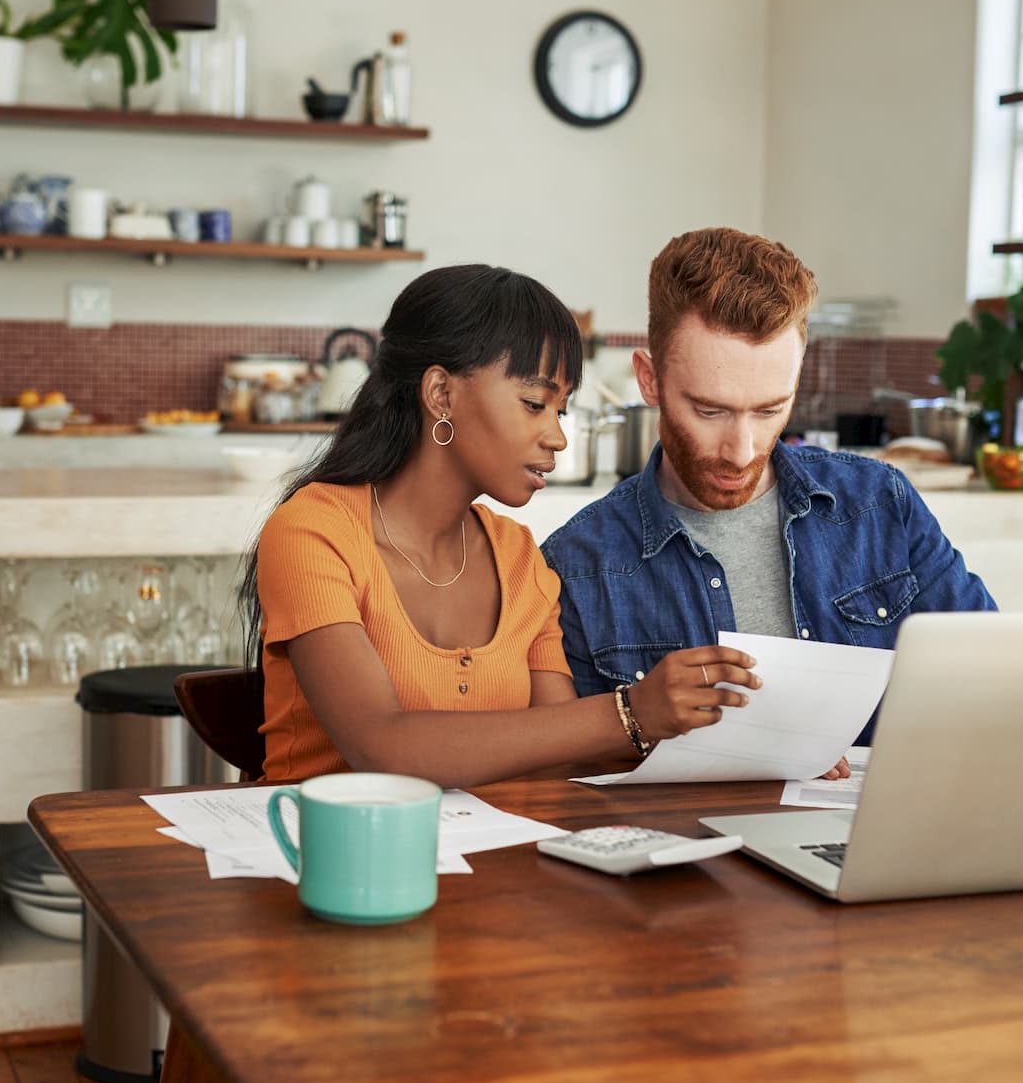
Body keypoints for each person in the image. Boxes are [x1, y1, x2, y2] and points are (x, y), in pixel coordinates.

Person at [243, 264, 771, 787]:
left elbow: (563, 754)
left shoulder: (517, 556)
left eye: (560, 411)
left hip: (491, 862)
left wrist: (752, 752)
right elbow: (381, 747)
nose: (557, 438)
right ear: (441, 394)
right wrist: (631, 711)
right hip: (319, 858)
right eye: (535, 404)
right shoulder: (314, 532)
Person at [540, 228, 996, 765]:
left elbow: (989, 679)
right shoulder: (576, 565)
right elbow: (582, 785)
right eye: (710, 411)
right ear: (649, 380)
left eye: (769, 409)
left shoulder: (880, 504)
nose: (742, 450)